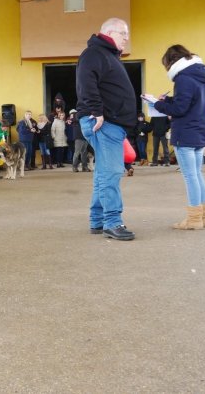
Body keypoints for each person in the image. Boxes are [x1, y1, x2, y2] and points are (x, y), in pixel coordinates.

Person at [76, 17, 137, 241]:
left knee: (104, 172)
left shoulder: (107, 55)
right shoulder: (95, 53)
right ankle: (112, 221)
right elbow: (85, 80)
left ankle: (98, 220)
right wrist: (97, 110)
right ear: (110, 32)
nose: (126, 38)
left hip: (111, 123)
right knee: (112, 172)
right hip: (105, 123)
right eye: (123, 33)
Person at [149, 44, 205, 230]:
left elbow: (180, 109)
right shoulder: (204, 78)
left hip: (185, 133)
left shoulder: (183, 79)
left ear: (171, 62)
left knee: (190, 176)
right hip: (200, 131)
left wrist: (157, 104)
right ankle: (204, 216)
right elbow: (194, 103)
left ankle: (194, 220)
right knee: (197, 174)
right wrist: (167, 100)